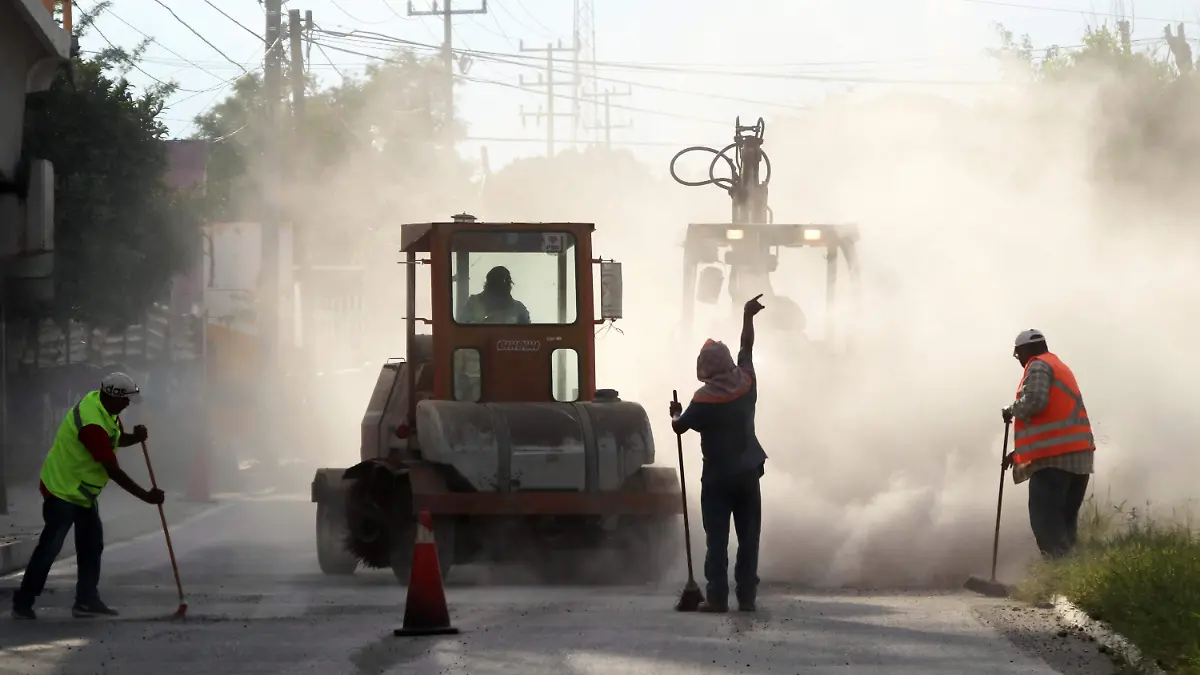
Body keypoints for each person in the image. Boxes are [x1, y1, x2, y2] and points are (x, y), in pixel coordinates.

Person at [11, 372, 166, 620]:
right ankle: (23, 602)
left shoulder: (103, 407)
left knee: (92, 544)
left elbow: (111, 440)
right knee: (50, 548)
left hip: (82, 492)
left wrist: (133, 439)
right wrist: (145, 496)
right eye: (126, 400)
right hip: (62, 489)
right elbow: (112, 469)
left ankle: (86, 601)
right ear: (112, 395)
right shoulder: (92, 423)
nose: (128, 405)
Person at [669, 294, 768, 613]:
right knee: (749, 538)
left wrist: (674, 413)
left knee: (717, 541)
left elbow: (680, 427)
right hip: (748, 474)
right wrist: (748, 316)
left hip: (717, 479)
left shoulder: (703, 401)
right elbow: (747, 348)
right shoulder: (746, 383)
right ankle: (748, 598)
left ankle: (716, 597)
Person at [1002, 329, 1095, 560]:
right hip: (1078, 457)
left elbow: (1035, 401)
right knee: (1064, 522)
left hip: (1056, 461)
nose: (1020, 361)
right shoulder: (1059, 366)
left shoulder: (1037, 365)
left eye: (1018, 355)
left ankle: (1058, 577)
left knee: (1045, 521)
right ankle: (1072, 579)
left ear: (1025, 350)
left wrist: (1010, 410)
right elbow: (1055, 422)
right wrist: (1018, 453)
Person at [461, 266, 531, 324]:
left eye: (505, 283)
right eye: (497, 284)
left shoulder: (519, 309)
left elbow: (527, 334)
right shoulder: (473, 303)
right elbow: (461, 330)